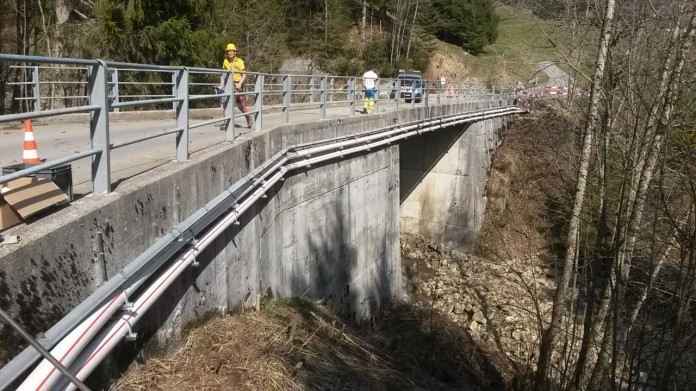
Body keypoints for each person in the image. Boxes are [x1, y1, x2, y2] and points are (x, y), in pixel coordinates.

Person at [219, 43, 253, 128]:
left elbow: (244, 75)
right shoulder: (225, 61)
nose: (230, 53)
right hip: (229, 83)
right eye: (228, 51)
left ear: (235, 52)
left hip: (238, 84)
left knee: (240, 105)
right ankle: (227, 122)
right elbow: (224, 74)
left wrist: (239, 84)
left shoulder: (239, 61)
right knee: (226, 103)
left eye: (231, 51)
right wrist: (221, 85)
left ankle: (248, 117)